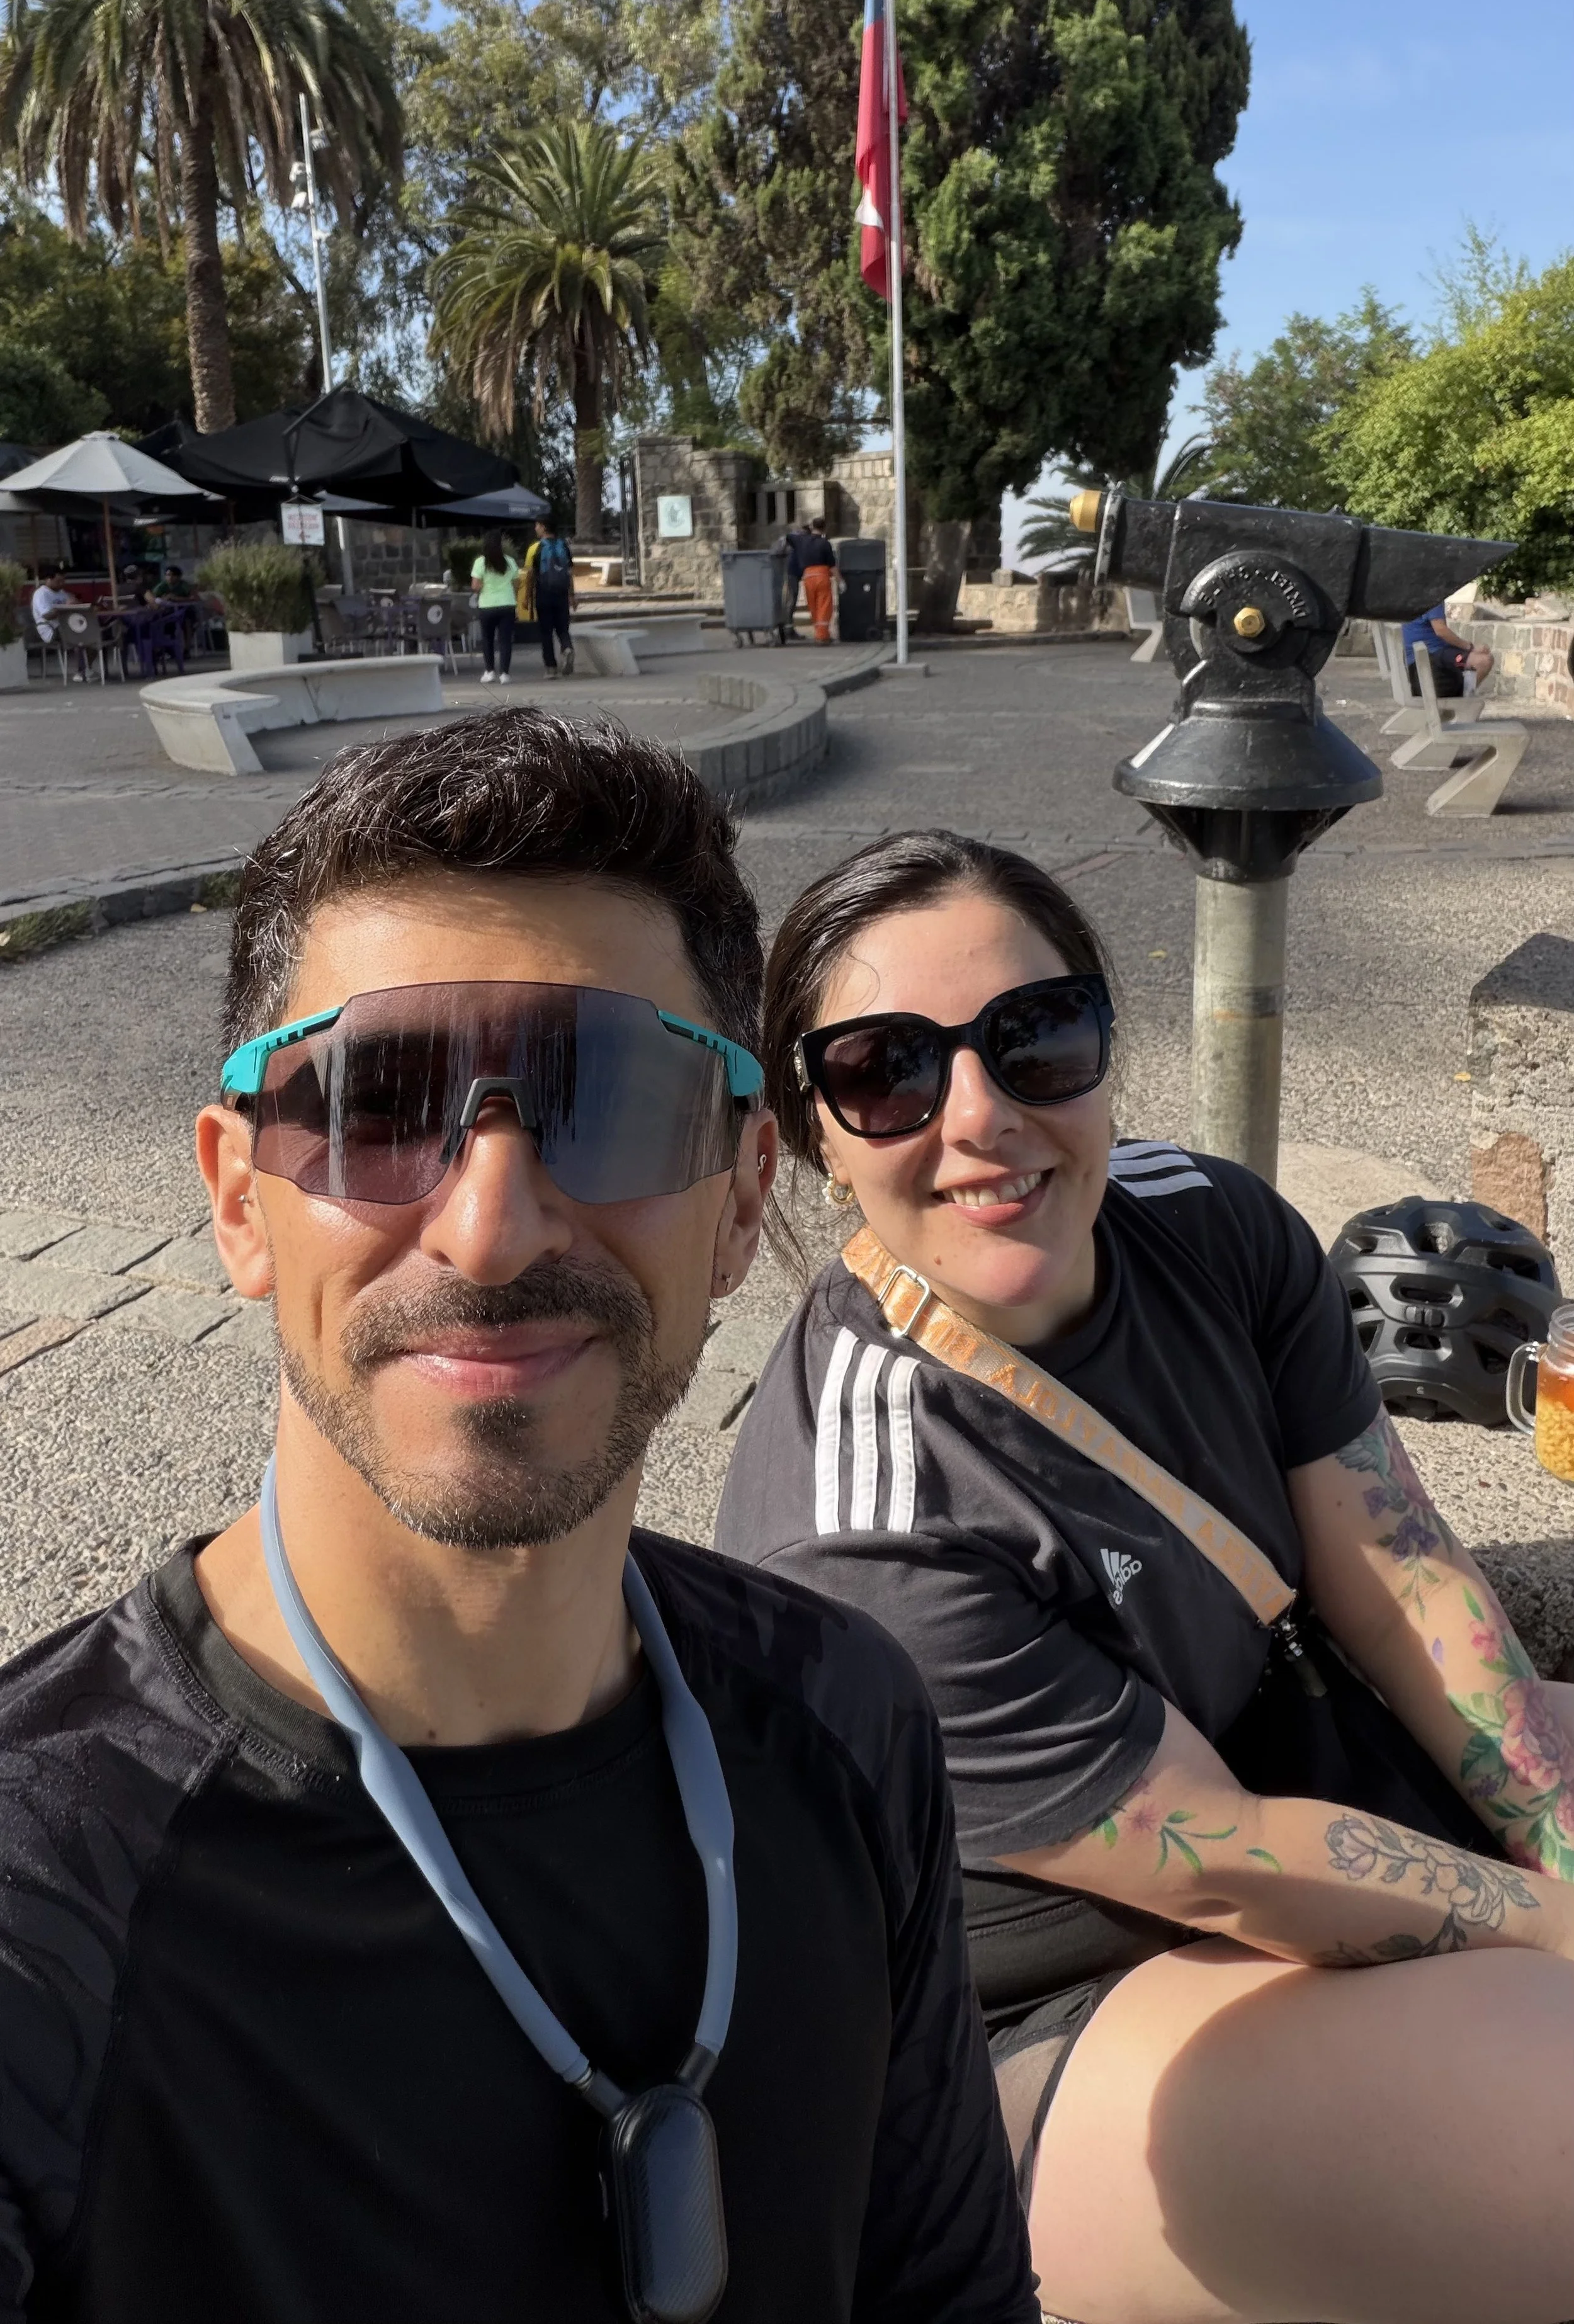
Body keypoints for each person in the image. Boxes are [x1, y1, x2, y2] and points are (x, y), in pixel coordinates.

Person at [0, 720, 1035, 2324]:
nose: (488, 1223)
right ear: (235, 1195)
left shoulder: (850, 1719)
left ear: (748, 1191)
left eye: (609, 1095)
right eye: (379, 1098)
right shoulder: (41, 1886)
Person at [716, 826, 1574, 2324]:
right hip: (1026, 2001)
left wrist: (1555, 1838)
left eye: (1034, 1035)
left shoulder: (1209, 1224)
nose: (978, 1117)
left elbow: (1398, 1567)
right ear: (812, 1130)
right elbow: (1227, 1853)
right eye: (886, 1071)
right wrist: (1556, 1921)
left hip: (1291, 1776)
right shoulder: (862, 1525)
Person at [521, 515, 576, 677]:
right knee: (563, 628)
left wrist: (526, 597)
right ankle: (567, 648)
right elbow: (570, 572)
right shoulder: (564, 546)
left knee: (546, 632)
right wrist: (572, 595)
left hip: (544, 593)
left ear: (544, 527)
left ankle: (551, 668)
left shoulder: (535, 548)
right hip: (562, 593)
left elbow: (530, 575)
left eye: (537, 525)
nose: (535, 529)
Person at [1403, 598, 1494, 696]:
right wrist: (1470, 647)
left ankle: (1465, 696)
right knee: (1483, 661)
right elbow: (1441, 631)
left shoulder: (1407, 598)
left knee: (1472, 659)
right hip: (1434, 658)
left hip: (1415, 663)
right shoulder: (1433, 597)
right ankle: (1466, 701)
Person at [470, 528, 520, 684]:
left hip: (487, 605)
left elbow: (475, 586)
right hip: (507, 604)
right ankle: (505, 674)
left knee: (488, 640)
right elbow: (517, 583)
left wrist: (484, 587)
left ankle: (489, 671)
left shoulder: (480, 563)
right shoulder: (510, 562)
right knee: (505, 640)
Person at [796, 517, 839, 645]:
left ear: (812, 527)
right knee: (824, 606)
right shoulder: (825, 543)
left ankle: (820, 633)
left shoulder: (803, 542)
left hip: (808, 577)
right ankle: (822, 636)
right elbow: (832, 566)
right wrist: (840, 580)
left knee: (813, 607)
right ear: (824, 528)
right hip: (822, 576)